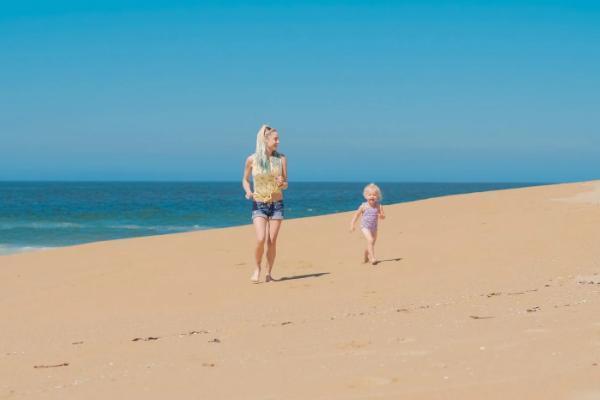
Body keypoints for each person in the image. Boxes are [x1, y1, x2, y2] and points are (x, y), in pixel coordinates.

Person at [242, 124, 288, 283]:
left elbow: (285, 184)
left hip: (277, 204)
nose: (278, 141)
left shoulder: (281, 159)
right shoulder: (251, 159)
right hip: (259, 203)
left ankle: (269, 273)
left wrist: (282, 182)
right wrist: (248, 191)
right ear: (265, 140)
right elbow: (245, 180)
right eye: (275, 139)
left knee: (272, 241)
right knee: (261, 238)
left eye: (278, 139)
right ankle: (257, 268)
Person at [350, 183, 385, 265]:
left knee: (371, 243)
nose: (372, 196)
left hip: (374, 227)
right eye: (370, 195)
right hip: (365, 226)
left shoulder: (379, 206)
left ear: (378, 196)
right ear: (366, 196)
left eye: (374, 195)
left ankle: (366, 256)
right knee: (370, 240)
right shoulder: (363, 206)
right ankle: (372, 258)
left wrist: (381, 216)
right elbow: (356, 215)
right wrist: (352, 224)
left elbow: (383, 216)